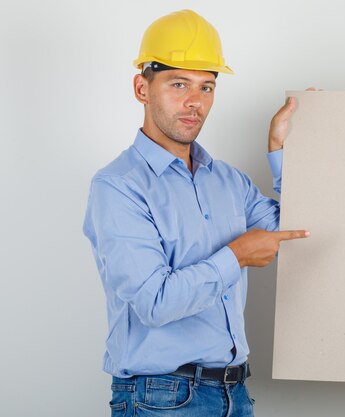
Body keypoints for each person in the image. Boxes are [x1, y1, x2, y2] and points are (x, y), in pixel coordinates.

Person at [82, 9, 310, 417]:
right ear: (142, 88)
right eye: (178, 84)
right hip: (161, 399)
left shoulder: (228, 181)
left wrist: (279, 148)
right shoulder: (118, 187)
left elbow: (297, 231)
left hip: (235, 393)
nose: (194, 102)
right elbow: (155, 302)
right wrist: (237, 255)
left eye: (207, 87)